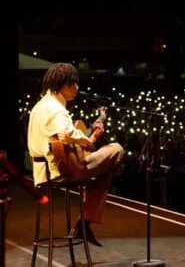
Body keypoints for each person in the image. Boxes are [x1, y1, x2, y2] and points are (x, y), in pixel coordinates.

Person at [27, 63, 124, 247]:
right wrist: (88, 141)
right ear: (65, 85)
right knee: (117, 150)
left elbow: (62, 138)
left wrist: (87, 138)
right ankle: (84, 222)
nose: (78, 88)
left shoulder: (42, 106)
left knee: (102, 174)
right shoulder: (54, 109)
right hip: (61, 171)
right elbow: (67, 134)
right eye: (75, 84)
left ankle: (85, 223)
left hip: (44, 171)